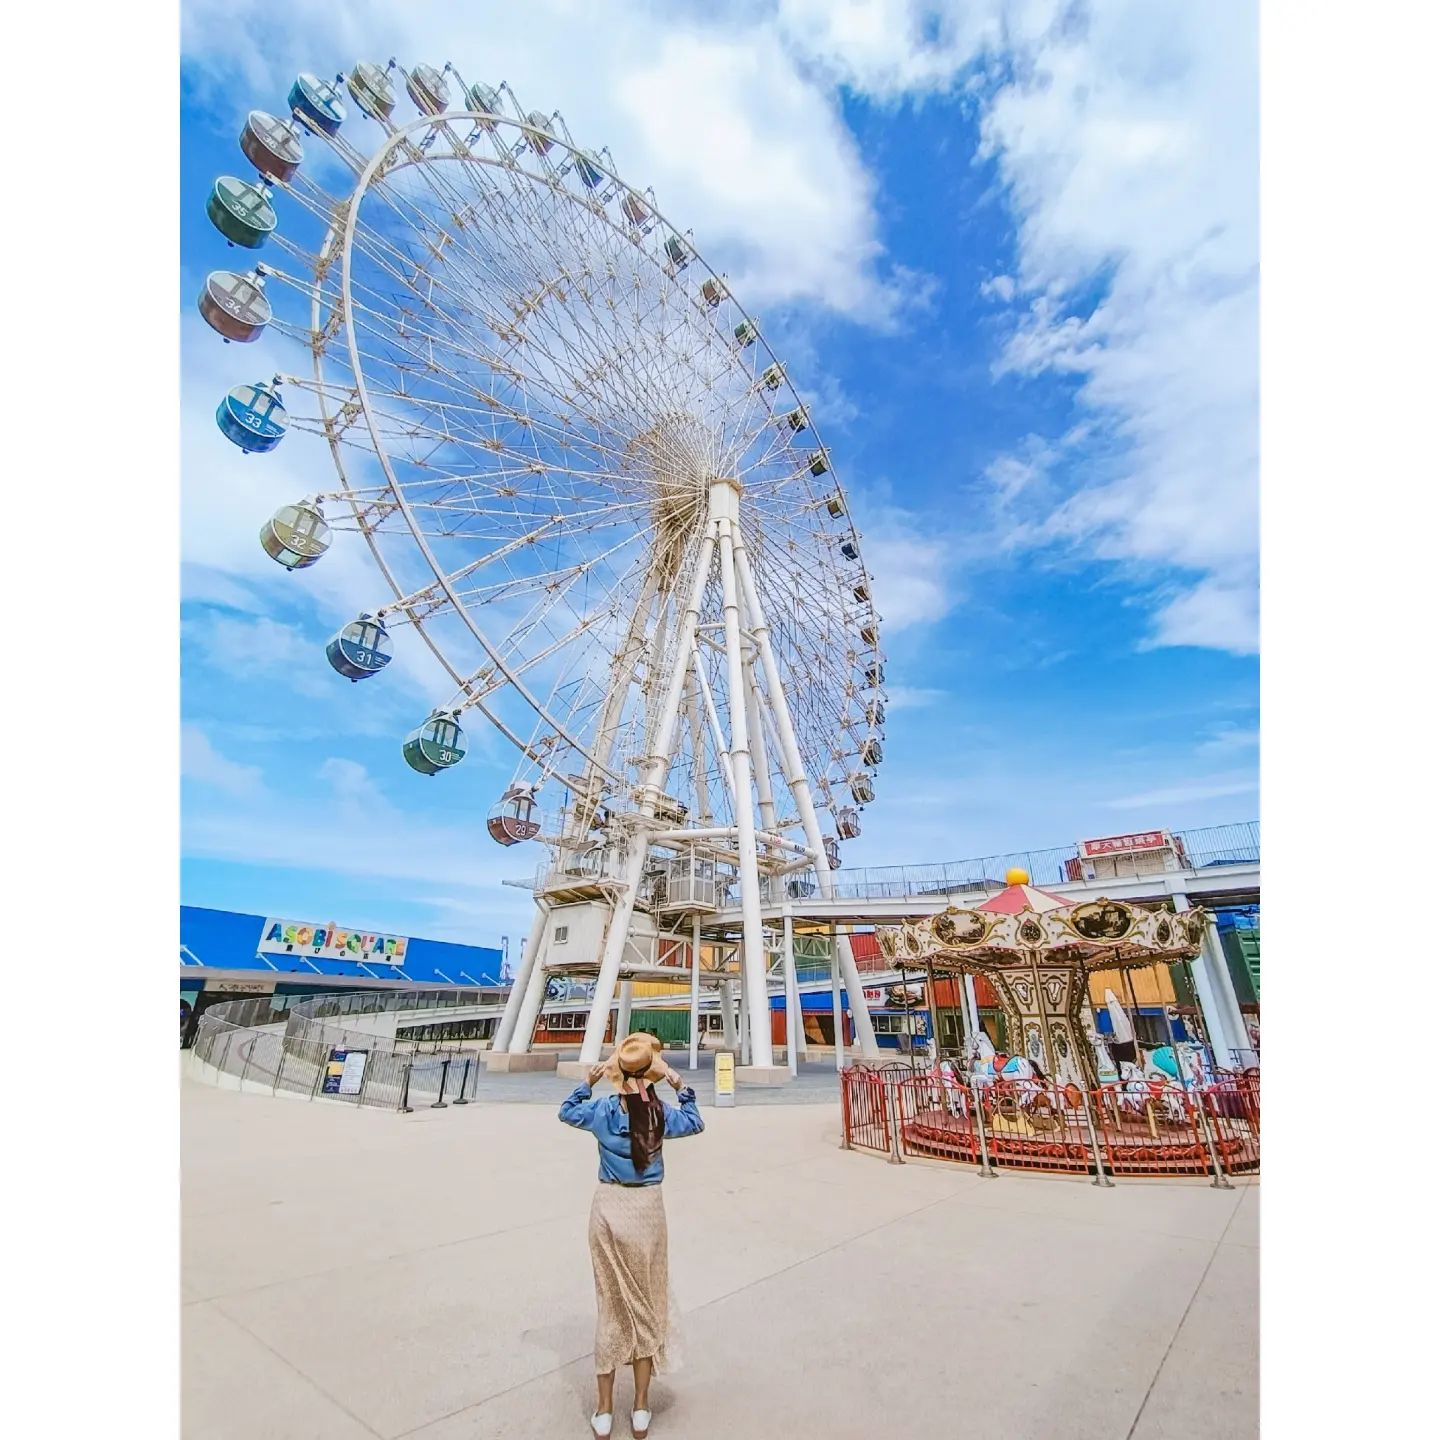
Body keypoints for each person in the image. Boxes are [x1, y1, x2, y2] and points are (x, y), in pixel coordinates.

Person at [559, 1032, 705, 1439]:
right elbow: (695, 1121)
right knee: (646, 1306)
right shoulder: (660, 1115)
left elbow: (567, 1111)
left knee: (611, 1307)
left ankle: (604, 1411)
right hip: (647, 1213)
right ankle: (640, 1406)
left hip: (608, 1209)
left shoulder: (603, 1111)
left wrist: (588, 1082)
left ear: (617, 1074)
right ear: (652, 1075)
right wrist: (679, 1084)